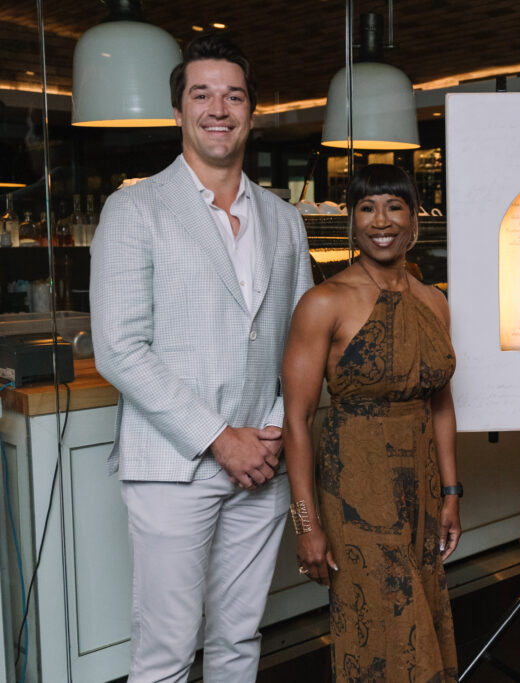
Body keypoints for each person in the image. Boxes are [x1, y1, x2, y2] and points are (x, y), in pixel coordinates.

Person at [90, 34, 313, 681]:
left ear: (251, 111)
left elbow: (302, 340)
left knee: (239, 639)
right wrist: (220, 438)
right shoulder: (134, 210)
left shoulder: (283, 219)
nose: (219, 107)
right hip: (173, 464)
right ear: (180, 110)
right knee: (166, 652)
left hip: (261, 464)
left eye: (233, 95)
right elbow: (119, 348)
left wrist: (272, 429)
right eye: (202, 94)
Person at [282, 164, 461, 681]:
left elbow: (442, 404)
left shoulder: (434, 303)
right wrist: (307, 523)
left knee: (421, 615)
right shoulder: (324, 302)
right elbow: (297, 420)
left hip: (421, 490)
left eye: (395, 206)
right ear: (353, 225)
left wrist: (451, 492)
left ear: (414, 221)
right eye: (367, 207)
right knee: (381, 624)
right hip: (356, 491)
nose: (381, 219)